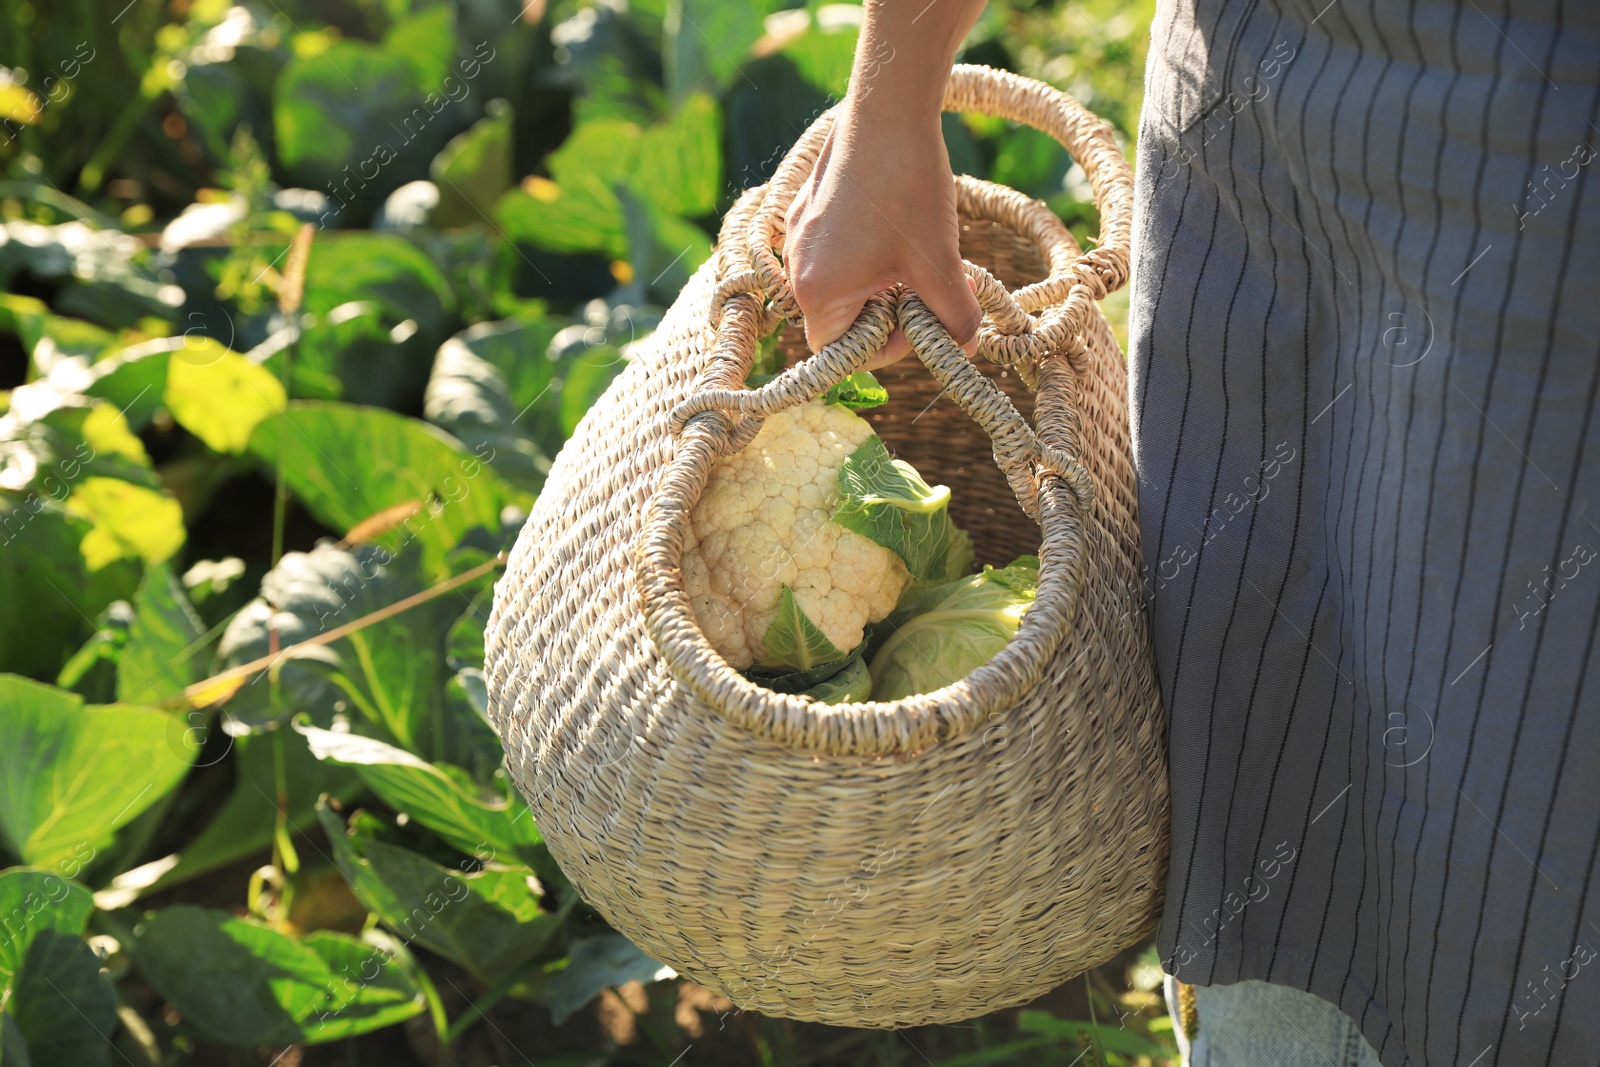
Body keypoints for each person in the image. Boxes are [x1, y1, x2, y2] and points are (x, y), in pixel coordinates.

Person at [782, 1, 1600, 1064]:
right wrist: (889, 106)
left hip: (1550, 170)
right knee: (1259, 722)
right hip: (1252, 121)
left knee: (1517, 769)